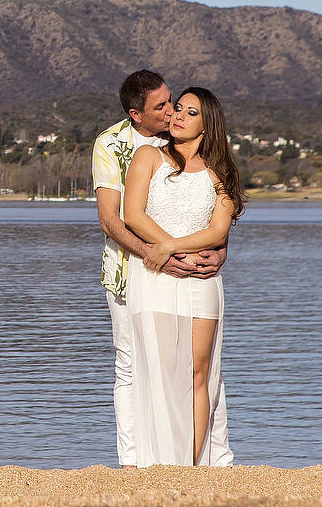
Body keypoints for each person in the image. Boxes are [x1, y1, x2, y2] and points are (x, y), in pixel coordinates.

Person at [93, 70, 227, 468]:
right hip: (130, 270)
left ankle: (210, 461)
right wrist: (164, 255)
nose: (172, 112)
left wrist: (218, 250)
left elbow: (215, 218)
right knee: (134, 367)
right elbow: (114, 219)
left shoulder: (209, 160)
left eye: (176, 103)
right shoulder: (114, 145)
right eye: (164, 106)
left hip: (193, 272)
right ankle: (135, 463)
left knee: (204, 373)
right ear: (137, 114)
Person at [122, 87, 246, 466]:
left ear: (207, 124)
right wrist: (170, 250)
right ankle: (158, 463)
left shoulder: (220, 172)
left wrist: (174, 246)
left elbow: (217, 231)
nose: (177, 116)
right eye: (177, 108)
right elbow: (133, 215)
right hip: (157, 277)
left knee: (198, 374)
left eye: (190, 112)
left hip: (202, 282)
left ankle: (190, 467)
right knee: (160, 373)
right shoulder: (148, 157)